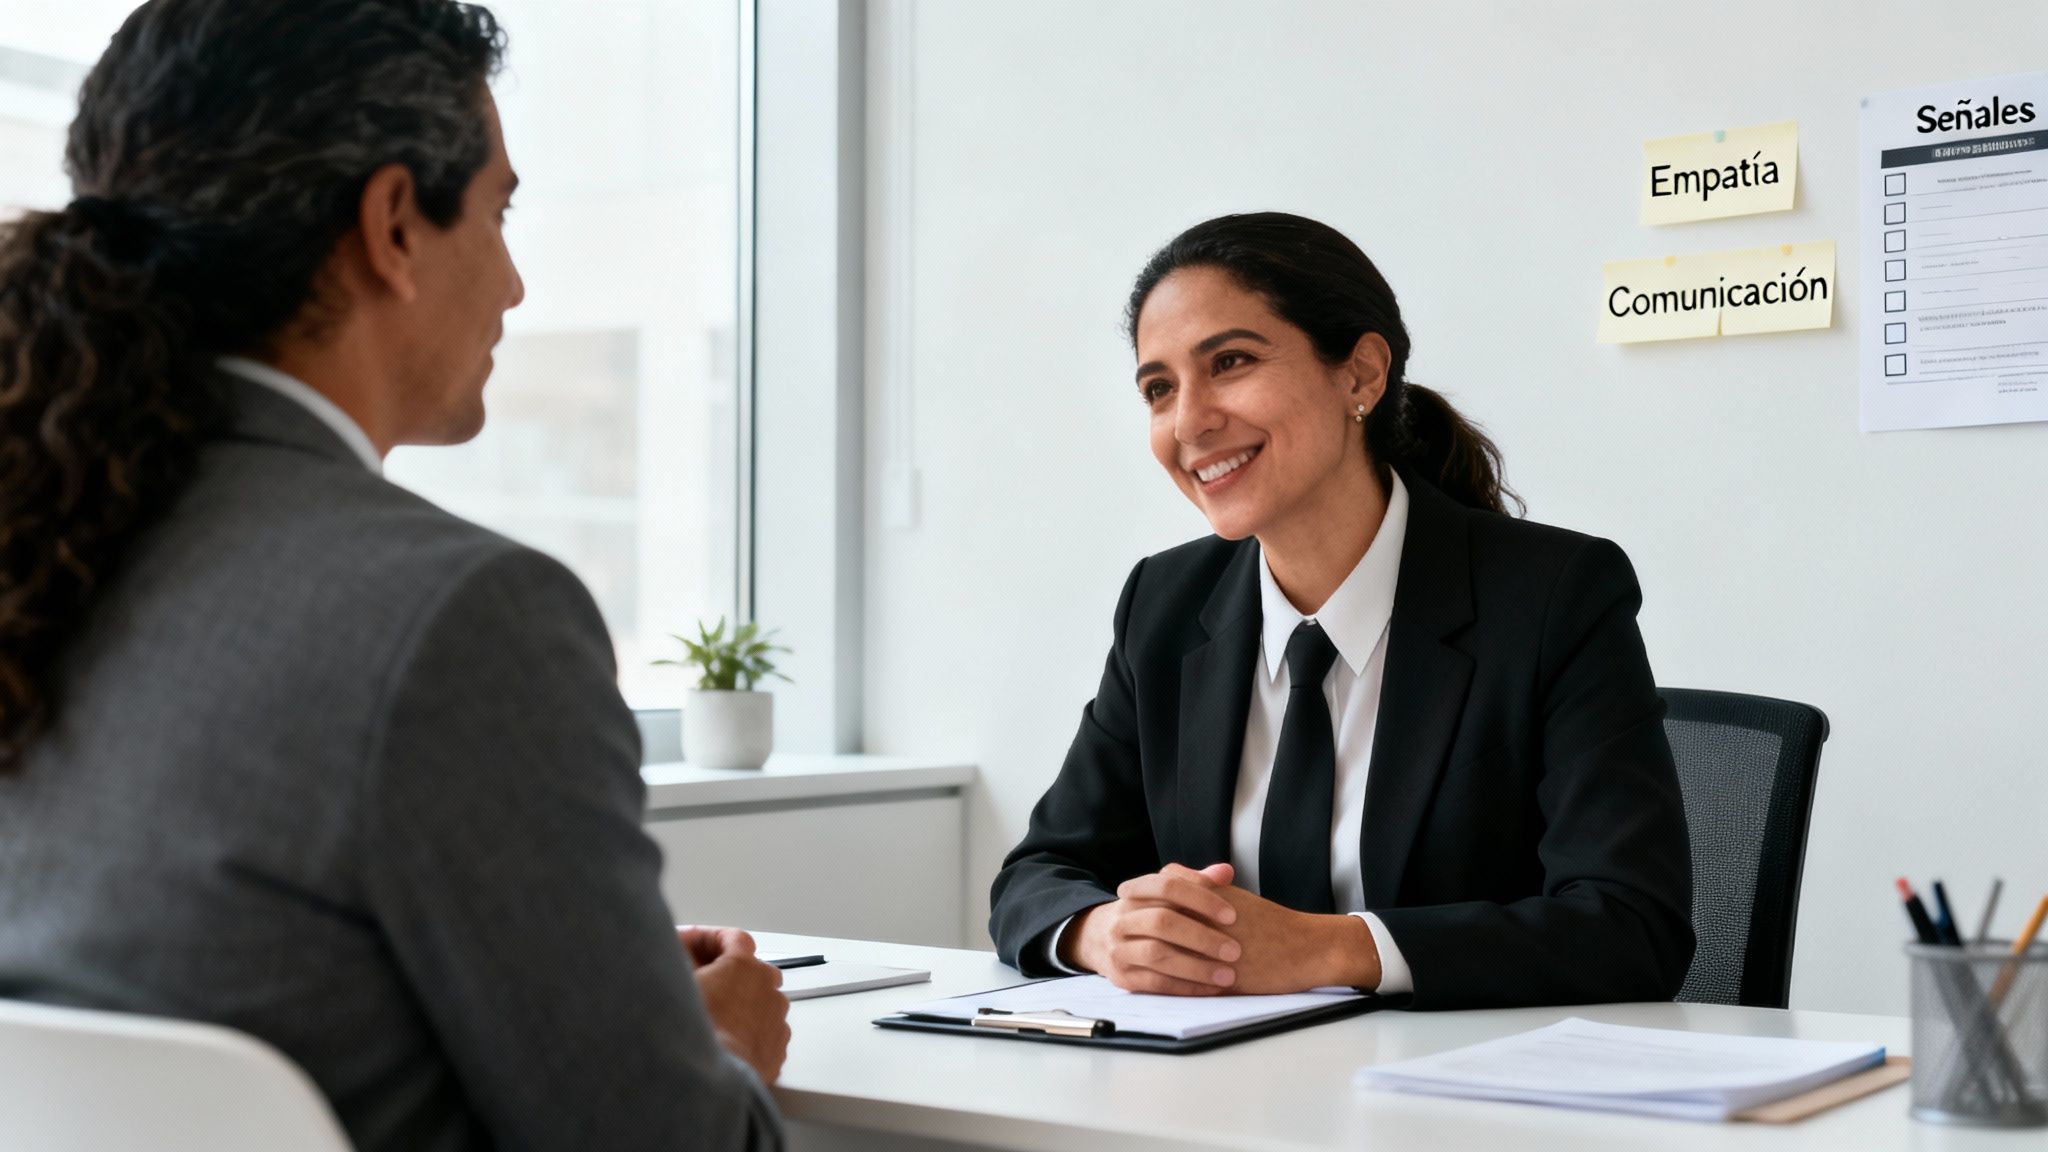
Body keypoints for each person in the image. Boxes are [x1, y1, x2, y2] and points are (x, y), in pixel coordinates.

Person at [0, 2, 786, 1148]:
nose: (515, 284)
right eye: (498, 211)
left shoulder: (46, 545)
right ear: (391, 226)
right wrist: (717, 1057)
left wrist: (596, 989)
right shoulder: (461, 617)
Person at [988, 212, 1695, 1009]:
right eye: (1160, 388)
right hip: (1215, 1097)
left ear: (1360, 374)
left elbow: (1631, 926)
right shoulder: (1164, 605)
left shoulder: (1553, 596)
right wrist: (1105, 931)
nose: (1189, 421)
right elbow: (1036, 877)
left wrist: (1329, 949)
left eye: (1230, 361)